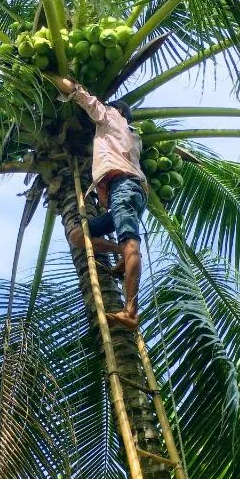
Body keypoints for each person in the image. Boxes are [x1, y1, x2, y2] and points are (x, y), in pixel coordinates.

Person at [50, 75, 147, 331]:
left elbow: (84, 97)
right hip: (130, 192)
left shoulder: (112, 118)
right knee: (78, 236)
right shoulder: (135, 137)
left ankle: (131, 311)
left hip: (123, 189)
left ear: (117, 111)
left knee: (130, 241)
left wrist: (54, 78)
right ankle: (120, 255)